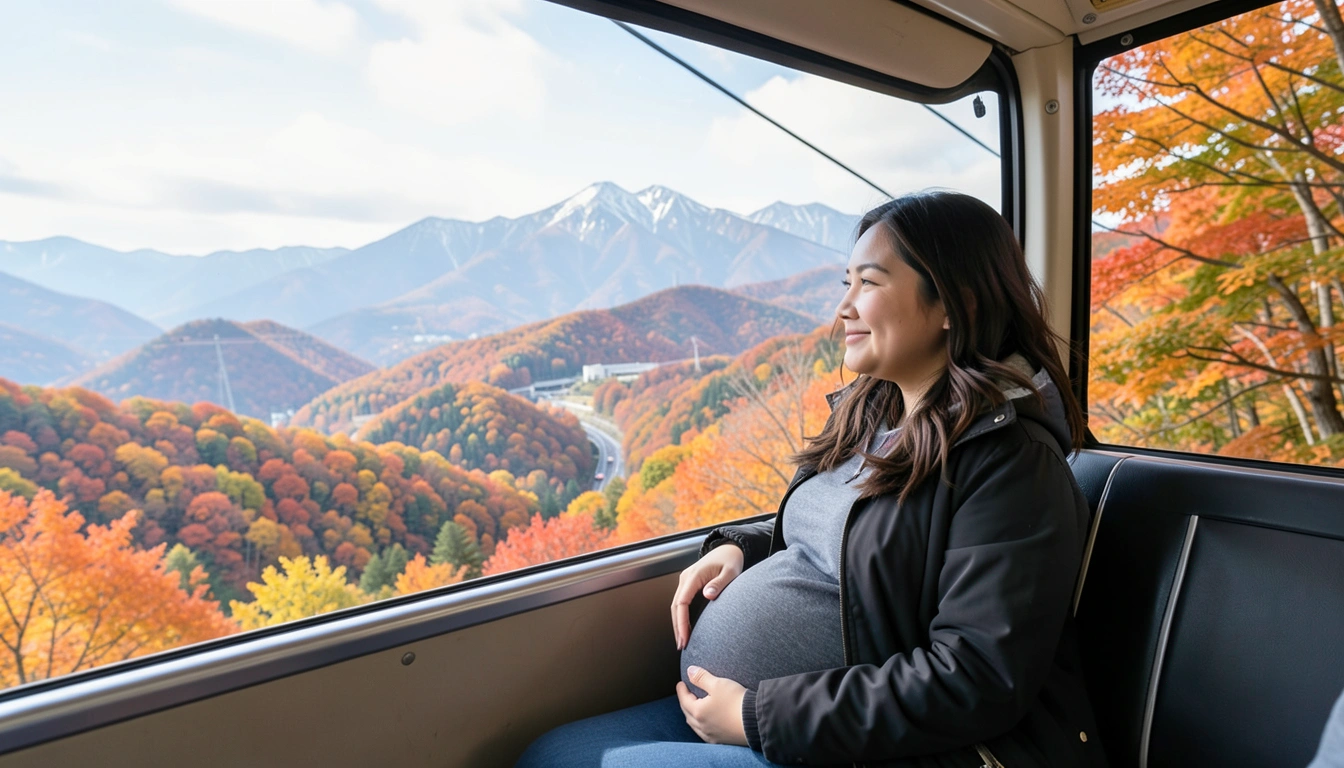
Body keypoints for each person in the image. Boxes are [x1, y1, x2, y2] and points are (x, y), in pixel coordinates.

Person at [515, 191, 1107, 767]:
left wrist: (756, 716)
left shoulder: (1011, 464)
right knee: (552, 751)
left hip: (877, 744)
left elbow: (977, 677)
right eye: (845, 284)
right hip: (773, 719)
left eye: (869, 284)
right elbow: (847, 547)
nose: (844, 307)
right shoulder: (873, 413)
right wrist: (742, 548)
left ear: (958, 304)